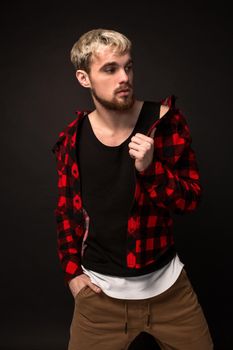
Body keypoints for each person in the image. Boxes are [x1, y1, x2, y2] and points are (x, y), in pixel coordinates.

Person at [51, 28, 213, 350]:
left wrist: (151, 170)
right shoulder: (72, 139)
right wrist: (72, 275)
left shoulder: (166, 122)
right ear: (84, 78)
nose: (124, 77)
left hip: (170, 293)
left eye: (128, 66)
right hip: (99, 300)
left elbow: (190, 200)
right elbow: (66, 211)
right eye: (110, 69)